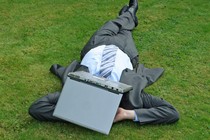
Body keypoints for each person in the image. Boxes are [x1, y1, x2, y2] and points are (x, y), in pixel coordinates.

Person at [29, 0, 179, 125]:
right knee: (125, 31)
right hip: (125, 50)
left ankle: (128, 14)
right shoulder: (130, 97)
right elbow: (171, 112)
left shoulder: (76, 90)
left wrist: (71, 112)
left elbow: (37, 108)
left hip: (96, 45)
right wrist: (127, 114)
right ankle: (130, 13)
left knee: (111, 24)